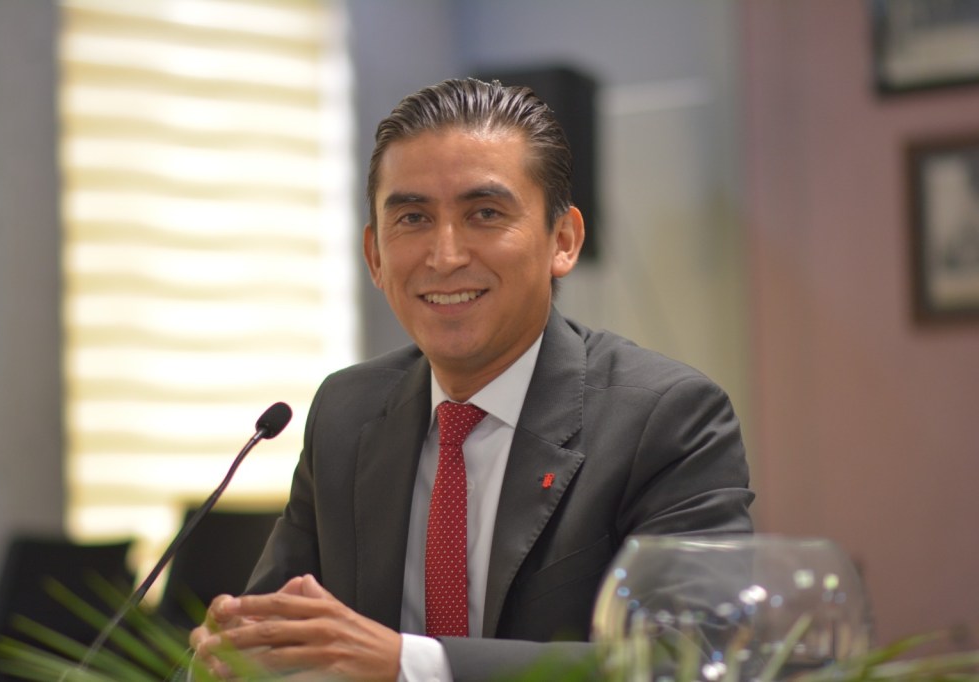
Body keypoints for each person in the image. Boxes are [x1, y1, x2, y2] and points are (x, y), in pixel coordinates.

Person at [189, 77, 754, 682]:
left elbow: (691, 660)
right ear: (375, 257)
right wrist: (232, 654)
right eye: (412, 218)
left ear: (563, 241)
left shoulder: (668, 419)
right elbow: (274, 638)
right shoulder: (346, 412)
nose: (446, 255)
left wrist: (410, 664)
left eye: (485, 214)